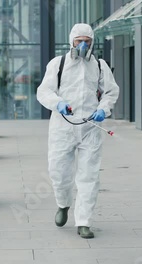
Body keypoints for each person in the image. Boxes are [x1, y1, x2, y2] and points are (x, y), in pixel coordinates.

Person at [36, 23, 119, 239]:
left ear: (92, 42)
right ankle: (63, 204)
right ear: (71, 41)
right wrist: (58, 103)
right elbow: (43, 91)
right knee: (59, 172)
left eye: (87, 41)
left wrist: (103, 109)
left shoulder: (99, 65)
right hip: (62, 127)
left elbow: (111, 91)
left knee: (89, 176)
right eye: (79, 41)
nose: (82, 45)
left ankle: (83, 221)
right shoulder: (58, 63)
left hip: (90, 127)